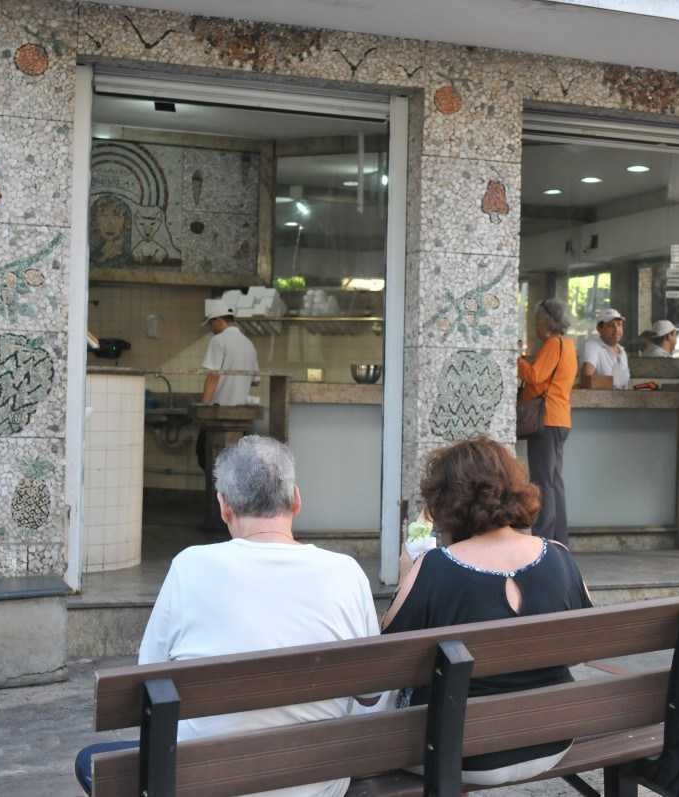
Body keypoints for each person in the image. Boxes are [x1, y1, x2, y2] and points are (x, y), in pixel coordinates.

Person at [74, 436, 383, 796]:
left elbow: (149, 680)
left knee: (92, 760)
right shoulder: (345, 572)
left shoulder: (190, 566)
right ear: (296, 499)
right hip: (317, 784)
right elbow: (372, 694)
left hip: (203, 781)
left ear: (224, 507)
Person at [383, 436, 593, 786]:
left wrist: (408, 576)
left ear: (445, 501)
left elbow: (386, 664)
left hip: (454, 750)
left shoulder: (433, 567)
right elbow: (584, 643)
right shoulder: (559, 556)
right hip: (551, 739)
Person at [517, 299, 577, 544]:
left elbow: (535, 375)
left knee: (542, 481)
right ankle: (558, 537)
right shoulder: (569, 346)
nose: (536, 327)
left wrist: (515, 359)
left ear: (548, 322)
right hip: (560, 418)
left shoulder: (553, 344)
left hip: (547, 419)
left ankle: (543, 536)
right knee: (554, 480)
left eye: (537, 321)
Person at [200, 298, 260, 407]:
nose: (211, 328)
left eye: (211, 324)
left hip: (220, 408)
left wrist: (204, 405)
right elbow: (255, 381)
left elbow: (213, 376)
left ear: (219, 320)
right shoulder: (249, 343)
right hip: (241, 409)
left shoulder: (218, 340)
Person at [580, 307, 630, 389]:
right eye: (610, 325)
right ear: (599, 329)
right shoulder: (593, 346)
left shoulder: (622, 352)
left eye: (619, 324)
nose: (616, 329)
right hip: (599, 401)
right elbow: (586, 380)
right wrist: (616, 383)